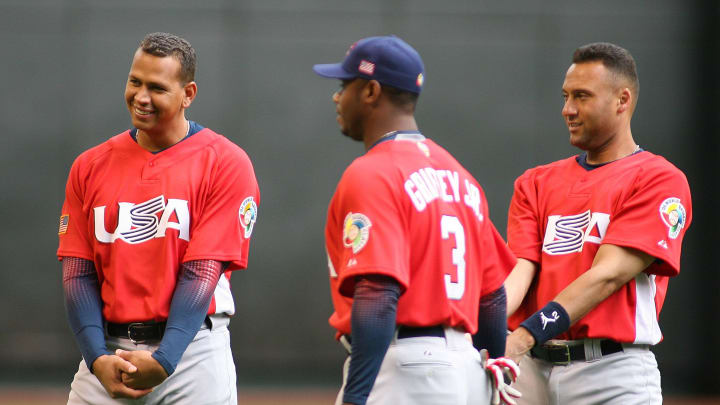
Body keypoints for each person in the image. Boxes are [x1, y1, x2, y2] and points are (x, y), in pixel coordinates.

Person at [313, 35, 521, 405]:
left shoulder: (373, 173)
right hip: (467, 369)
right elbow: (492, 298)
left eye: (345, 85)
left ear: (371, 90)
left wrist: (356, 395)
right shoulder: (461, 177)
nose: (336, 96)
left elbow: (377, 292)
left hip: (406, 368)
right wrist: (494, 370)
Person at [57, 32, 259, 404]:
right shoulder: (89, 166)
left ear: (188, 94)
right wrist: (95, 356)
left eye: (157, 87)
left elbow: (202, 271)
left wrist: (165, 359)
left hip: (192, 352)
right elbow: (77, 273)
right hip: (107, 350)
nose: (141, 97)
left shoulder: (225, 162)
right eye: (135, 81)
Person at [503, 42, 692, 404]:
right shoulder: (536, 181)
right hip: (530, 370)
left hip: (610, 372)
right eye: (565, 96)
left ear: (622, 100)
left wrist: (526, 335)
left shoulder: (658, 179)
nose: (567, 110)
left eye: (582, 97)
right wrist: (481, 324)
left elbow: (607, 274)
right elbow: (520, 271)